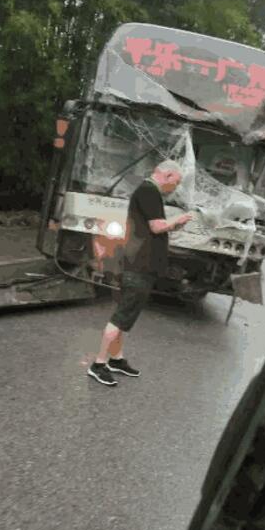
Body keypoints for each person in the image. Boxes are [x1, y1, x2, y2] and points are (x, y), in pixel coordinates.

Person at [87, 160, 193, 386]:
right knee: (121, 316)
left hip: (140, 263)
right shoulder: (149, 191)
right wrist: (178, 219)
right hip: (139, 264)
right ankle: (98, 364)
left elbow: (153, 227)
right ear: (166, 175)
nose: (176, 187)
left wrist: (174, 225)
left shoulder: (149, 192)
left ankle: (116, 360)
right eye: (176, 181)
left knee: (126, 314)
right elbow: (156, 227)